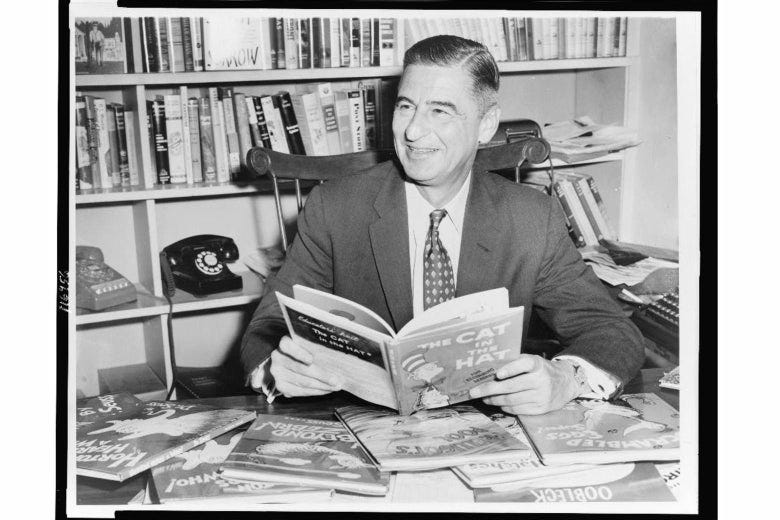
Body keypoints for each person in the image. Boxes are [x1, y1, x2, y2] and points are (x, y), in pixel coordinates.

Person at [240, 35, 645, 416]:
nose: (413, 131)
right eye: (405, 106)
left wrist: (565, 379)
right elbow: (265, 328)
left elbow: (611, 331)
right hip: (363, 418)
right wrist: (277, 368)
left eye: (440, 110)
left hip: (489, 424)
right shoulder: (335, 208)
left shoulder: (531, 218)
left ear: (486, 125)